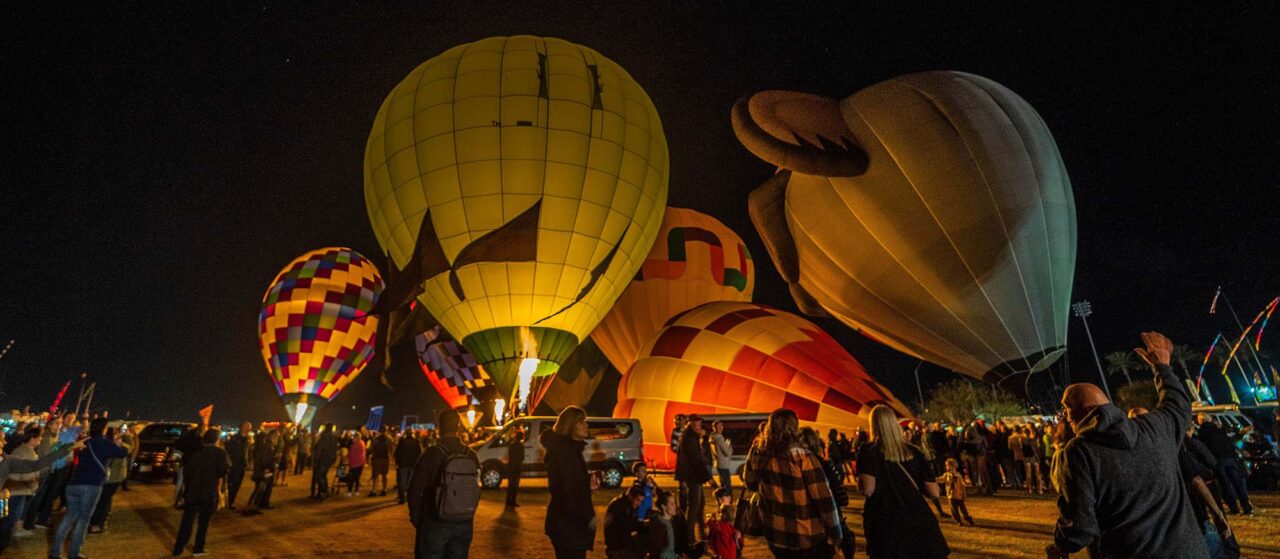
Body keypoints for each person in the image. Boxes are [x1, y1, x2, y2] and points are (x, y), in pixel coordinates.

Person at [1046, 332, 1207, 559]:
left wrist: (1063, 543)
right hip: (1188, 551)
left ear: (1073, 412)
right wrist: (1162, 366)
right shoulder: (1154, 426)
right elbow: (1179, 404)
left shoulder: (1080, 451)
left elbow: (1080, 523)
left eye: (1065, 410)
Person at [744, 408, 841, 559]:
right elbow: (823, 498)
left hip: (775, 533)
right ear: (794, 427)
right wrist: (836, 532)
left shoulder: (757, 452)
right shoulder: (803, 457)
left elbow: (750, 483)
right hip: (806, 536)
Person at [856, 405, 948, 559]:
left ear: (874, 425)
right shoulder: (914, 451)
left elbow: (868, 489)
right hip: (919, 523)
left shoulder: (868, 451)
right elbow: (934, 492)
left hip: (886, 524)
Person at [52, 417, 129, 559]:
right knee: (83, 520)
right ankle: (74, 553)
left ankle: (55, 553)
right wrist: (120, 443)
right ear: (104, 429)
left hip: (73, 483)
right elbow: (123, 453)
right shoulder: (106, 443)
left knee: (68, 517)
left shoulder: (85, 441)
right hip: (91, 485)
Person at [408, 409, 479, 559]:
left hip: (434, 521)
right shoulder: (471, 455)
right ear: (458, 427)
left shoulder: (433, 454)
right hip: (464, 522)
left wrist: (416, 518)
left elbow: (415, 489)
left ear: (440, 427)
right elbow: (476, 489)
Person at [543, 406, 596, 559]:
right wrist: (585, 517)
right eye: (582, 422)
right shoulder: (565, 453)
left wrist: (588, 486)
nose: (586, 425)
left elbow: (572, 485)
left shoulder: (572, 451)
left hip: (569, 524)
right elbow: (566, 491)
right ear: (571, 425)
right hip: (568, 525)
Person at [172, 427, 229, 557]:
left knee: (187, 520)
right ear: (217, 439)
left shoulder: (195, 452)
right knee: (203, 522)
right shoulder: (219, 453)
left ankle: (178, 548)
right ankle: (198, 548)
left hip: (192, 491)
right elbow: (223, 472)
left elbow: (186, 471)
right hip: (208, 492)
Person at [800, 427, 855, 559]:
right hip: (826, 525)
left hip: (803, 527)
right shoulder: (824, 465)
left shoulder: (793, 467)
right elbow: (842, 498)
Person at [25, 412, 78, 530]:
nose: (58, 425)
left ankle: (33, 521)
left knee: (43, 495)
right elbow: (48, 454)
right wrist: (62, 447)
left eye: (59, 423)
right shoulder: (47, 437)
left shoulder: (53, 435)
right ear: (50, 424)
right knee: (38, 496)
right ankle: (29, 522)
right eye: (57, 423)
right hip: (45, 470)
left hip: (50, 469)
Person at [1196, 415, 1253, 515]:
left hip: (1218, 460)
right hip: (1229, 458)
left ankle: (1234, 507)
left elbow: (1204, 448)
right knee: (1237, 483)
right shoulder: (1220, 429)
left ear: (1201, 421)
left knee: (1225, 485)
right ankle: (1246, 507)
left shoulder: (1203, 431)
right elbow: (1229, 441)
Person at [675, 414, 712, 538]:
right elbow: (697, 460)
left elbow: (702, 454)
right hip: (693, 477)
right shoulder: (689, 439)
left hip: (695, 476)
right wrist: (709, 477)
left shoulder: (692, 437)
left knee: (700, 504)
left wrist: (703, 438)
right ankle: (689, 536)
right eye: (697, 425)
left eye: (700, 425)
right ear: (690, 424)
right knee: (694, 507)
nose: (699, 427)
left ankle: (701, 533)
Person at [88, 426, 131, 533]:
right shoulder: (113, 446)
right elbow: (127, 450)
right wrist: (124, 441)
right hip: (112, 477)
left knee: (103, 501)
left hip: (110, 477)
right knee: (103, 501)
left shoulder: (106, 444)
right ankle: (97, 524)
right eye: (117, 432)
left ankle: (97, 523)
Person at [603, 485, 646, 559]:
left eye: (641, 501)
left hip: (619, 543)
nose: (639, 504)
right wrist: (644, 524)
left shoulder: (627, 504)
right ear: (630, 496)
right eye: (638, 500)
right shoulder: (619, 507)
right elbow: (628, 525)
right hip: (617, 547)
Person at [243, 428, 278, 515]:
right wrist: (270, 464)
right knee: (259, 489)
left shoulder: (257, 447)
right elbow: (265, 459)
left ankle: (253, 506)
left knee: (259, 489)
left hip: (260, 470)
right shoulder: (264, 447)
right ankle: (250, 507)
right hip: (263, 470)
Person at [939, 458, 974, 526]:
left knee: (963, 509)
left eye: (948, 465)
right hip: (951, 496)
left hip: (959, 495)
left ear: (953, 466)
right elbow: (941, 479)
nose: (947, 467)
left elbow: (962, 485)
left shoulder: (958, 475)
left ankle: (967, 518)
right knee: (954, 510)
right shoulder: (946, 475)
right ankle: (958, 521)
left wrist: (964, 494)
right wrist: (935, 479)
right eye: (946, 466)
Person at [224, 422, 251, 508]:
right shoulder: (235, 438)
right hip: (234, 465)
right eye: (248, 427)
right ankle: (227, 501)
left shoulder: (247, 439)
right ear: (243, 427)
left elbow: (247, 452)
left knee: (237, 485)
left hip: (242, 465)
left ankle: (230, 502)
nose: (250, 429)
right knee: (231, 484)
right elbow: (228, 450)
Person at [395, 429, 422, 505]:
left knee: (402, 481)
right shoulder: (416, 441)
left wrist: (397, 462)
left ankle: (402, 498)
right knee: (411, 481)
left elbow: (397, 452)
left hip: (403, 464)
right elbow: (419, 453)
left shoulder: (402, 441)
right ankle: (410, 497)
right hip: (412, 464)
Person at [311, 424, 338, 500]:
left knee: (319, 476)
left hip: (322, 459)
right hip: (329, 460)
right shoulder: (334, 437)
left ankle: (324, 491)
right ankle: (322, 492)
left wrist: (316, 459)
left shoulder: (324, 436)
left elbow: (320, 448)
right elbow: (335, 449)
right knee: (323, 475)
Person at [368, 426, 393, 497]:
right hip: (385, 459)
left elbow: (371, 449)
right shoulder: (389, 439)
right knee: (384, 475)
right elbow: (391, 450)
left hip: (377, 459)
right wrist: (391, 458)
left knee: (375, 475)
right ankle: (384, 490)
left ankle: (374, 490)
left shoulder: (375, 439)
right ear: (386, 431)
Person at [505, 428, 524, 510]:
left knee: (510, 484)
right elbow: (522, 457)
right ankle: (513, 501)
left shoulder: (511, 445)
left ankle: (508, 501)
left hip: (511, 466)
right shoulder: (521, 446)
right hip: (517, 466)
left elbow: (509, 455)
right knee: (515, 484)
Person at [711, 420, 733, 492]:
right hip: (724, 464)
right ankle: (728, 500)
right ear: (714, 428)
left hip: (718, 463)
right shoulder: (719, 438)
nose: (721, 428)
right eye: (718, 426)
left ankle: (723, 500)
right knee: (727, 486)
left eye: (722, 426)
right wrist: (729, 447)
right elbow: (727, 452)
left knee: (723, 485)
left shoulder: (712, 437)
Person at [347, 430, 366, 496]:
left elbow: (351, 454)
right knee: (357, 478)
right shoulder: (362, 443)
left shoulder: (355, 444)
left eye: (354, 437)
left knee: (351, 478)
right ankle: (356, 491)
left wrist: (350, 463)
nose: (353, 438)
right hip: (361, 463)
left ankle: (349, 492)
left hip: (354, 464)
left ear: (357, 437)